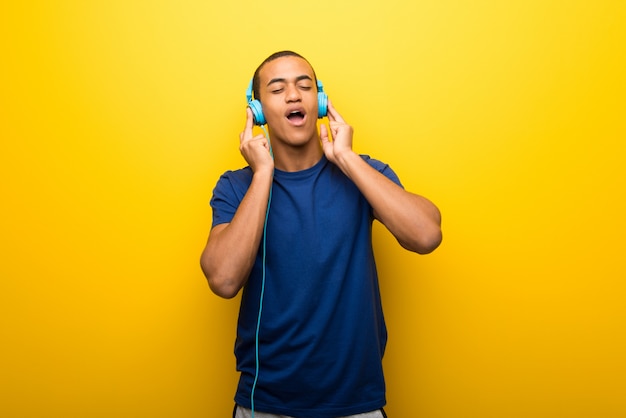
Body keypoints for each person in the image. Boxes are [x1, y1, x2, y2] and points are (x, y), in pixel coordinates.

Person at [200, 50, 442, 418]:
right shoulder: (237, 186)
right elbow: (223, 278)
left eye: (305, 86)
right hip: (264, 404)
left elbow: (426, 235)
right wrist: (263, 173)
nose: (294, 96)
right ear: (258, 111)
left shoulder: (364, 173)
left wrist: (346, 158)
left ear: (321, 101)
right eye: (278, 89)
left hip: (357, 403)